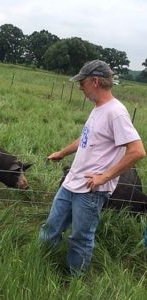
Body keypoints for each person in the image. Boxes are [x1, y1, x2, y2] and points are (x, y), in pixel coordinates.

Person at [39, 59, 146, 275]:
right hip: (72, 182)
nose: (79, 87)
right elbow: (85, 139)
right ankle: (39, 265)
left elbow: (137, 150)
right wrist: (62, 153)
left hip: (90, 191)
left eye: (83, 82)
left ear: (95, 81)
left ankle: (74, 280)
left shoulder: (116, 112)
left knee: (80, 238)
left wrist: (103, 177)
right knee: (50, 228)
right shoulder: (99, 109)